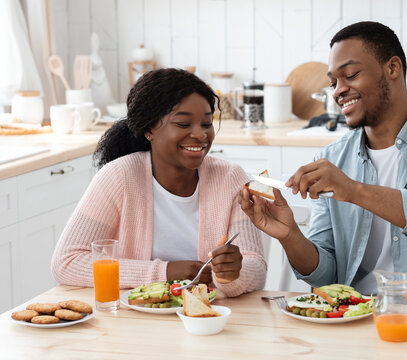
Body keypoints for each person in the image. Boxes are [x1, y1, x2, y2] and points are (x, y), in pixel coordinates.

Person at [239, 21, 407, 357]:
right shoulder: (333, 157)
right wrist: (290, 234)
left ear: (392, 68)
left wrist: (354, 191)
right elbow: (327, 277)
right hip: (357, 329)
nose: (338, 90)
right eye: (333, 82)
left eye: (350, 75)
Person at [52, 68, 266, 297]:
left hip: (208, 320)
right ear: (149, 130)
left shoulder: (230, 178)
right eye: (184, 125)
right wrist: (164, 272)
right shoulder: (119, 177)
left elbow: (257, 268)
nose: (201, 135)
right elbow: (67, 262)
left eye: (206, 123)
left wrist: (231, 274)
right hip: (134, 319)